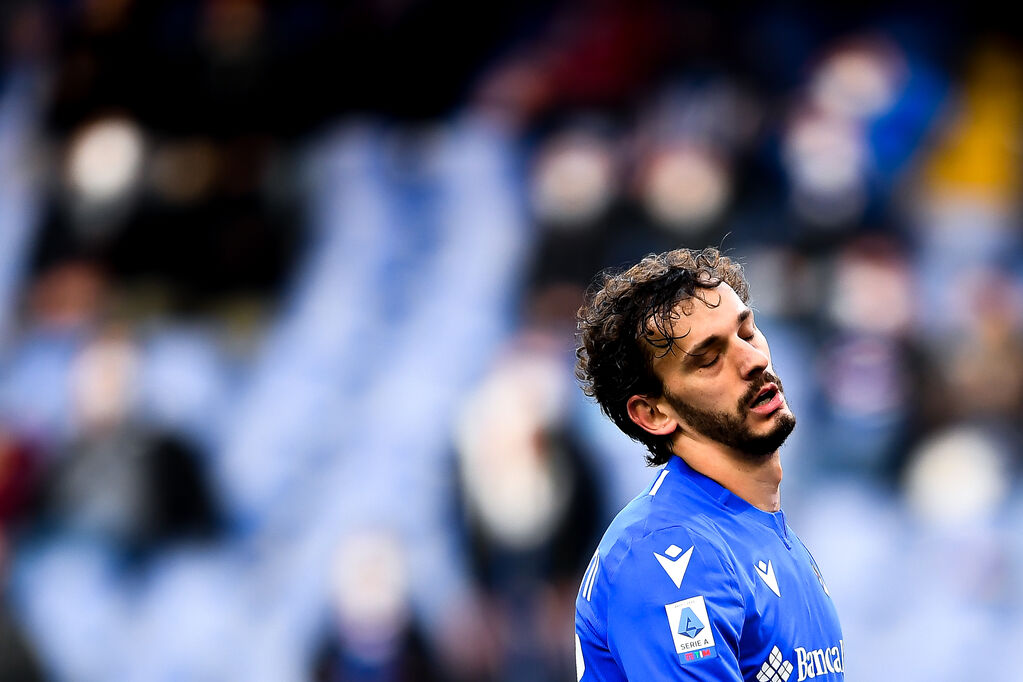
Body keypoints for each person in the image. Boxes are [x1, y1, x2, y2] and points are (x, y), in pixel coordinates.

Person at [573, 247, 843, 681]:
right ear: (654, 414)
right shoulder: (667, 553)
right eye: (710, 359)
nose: (753, 360)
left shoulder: (763, 533)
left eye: (748, 332)